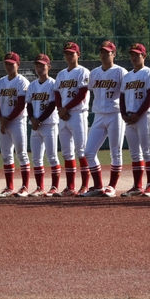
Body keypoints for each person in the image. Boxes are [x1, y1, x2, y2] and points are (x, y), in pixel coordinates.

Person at [82, 41, 128, 197]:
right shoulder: (94, 73)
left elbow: (125, 95)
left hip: (115, 114)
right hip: (99, 115)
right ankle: (98, 186)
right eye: (102, 51)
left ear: (113, 54)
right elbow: (87, 91)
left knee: (115, 151)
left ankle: (112, 186)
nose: (104, 54)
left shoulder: (121, 72)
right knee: (88, 152)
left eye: (107, 52)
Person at [120, 43, 150, 196]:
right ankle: (137, 186)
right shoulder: (127, 76)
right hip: (129, 117)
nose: (134, 57)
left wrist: (139, 114)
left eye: (137, 54)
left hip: (144, 116)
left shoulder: (149, 73)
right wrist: (123, 114)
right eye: (132, 54)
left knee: (148, 151)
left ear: (144, 56)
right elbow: (122, 97)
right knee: (134, 153)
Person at [54, 42, 91, 196]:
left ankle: (85, 186)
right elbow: (56, 94)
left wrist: (65, 108)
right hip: (63, 115)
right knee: (67, 153)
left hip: (77, 113)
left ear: (78, 54)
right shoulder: (61, 74)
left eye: (72, 53)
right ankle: (70, 187)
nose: (69, 56)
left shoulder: (83, 72)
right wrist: (60, 109)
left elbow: (82, 94)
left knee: (81, 151)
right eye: (67, 53)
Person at [0, 52, 31, 197]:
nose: (9, 66)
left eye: (11, 63)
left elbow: (21, 104)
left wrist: (6, 120)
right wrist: (0, 118)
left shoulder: (22, 82)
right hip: (3, 121)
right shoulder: (0, 82)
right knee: (6, 156)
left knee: (21, 154)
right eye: (6, 63)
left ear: (18, 64)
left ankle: (25, 187)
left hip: (17, 121)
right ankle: (9, 187)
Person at [25, 53, 61, 196]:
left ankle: (54, 187)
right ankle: (40, 187)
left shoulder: (53, 84)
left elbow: (52, 105)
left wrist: (38, 120)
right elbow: (28, 105)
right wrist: (33, 119)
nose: (40, 68)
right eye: (37, 65)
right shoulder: (32, 85)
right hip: (35, 125)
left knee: (52, 156)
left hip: (49, 123)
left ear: (49, 67)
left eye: (42, 65)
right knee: (36, 157)